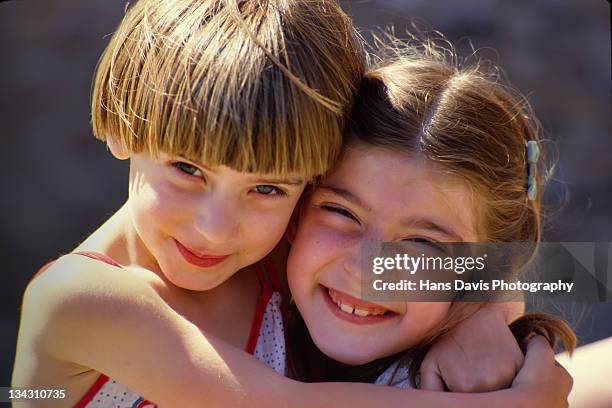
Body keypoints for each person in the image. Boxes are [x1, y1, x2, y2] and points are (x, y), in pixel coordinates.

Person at [12, 1, 557, 406]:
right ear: (120, 124)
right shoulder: (79, 299)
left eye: (268, 189)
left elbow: (579, 270)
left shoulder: (280, 257)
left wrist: (483, 307)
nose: (215, 230)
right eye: (187, 170)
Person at [285, 38, 576, 407]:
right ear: (296, 206)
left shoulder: (475, 383)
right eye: (343, 213)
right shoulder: (230, 291)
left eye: (422, 243)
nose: (365, 270)